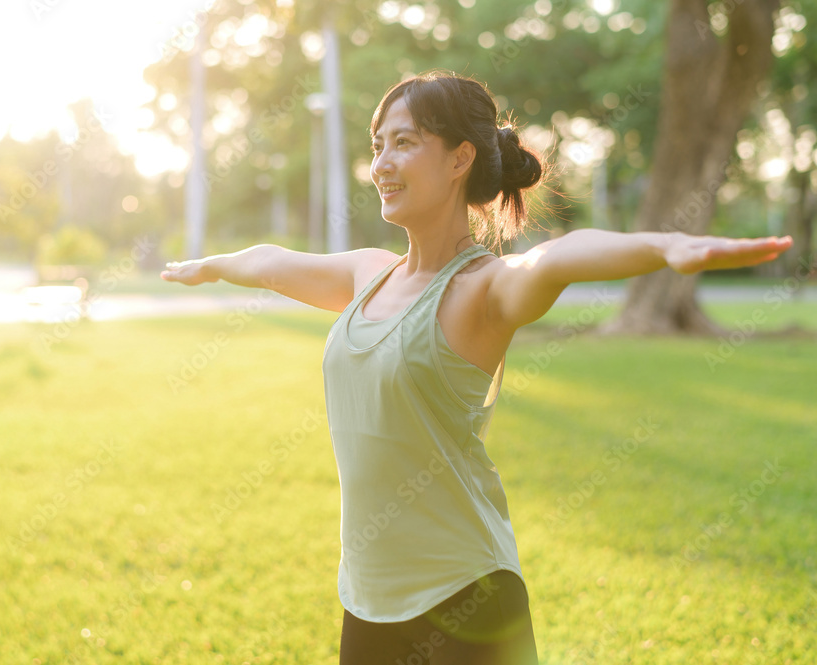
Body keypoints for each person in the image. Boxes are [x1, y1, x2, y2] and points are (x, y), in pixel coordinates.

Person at [159, 69, 793, 665]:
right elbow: (272, 261)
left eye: (403, 143)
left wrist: (665, 245)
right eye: (377, 145)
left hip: (466, 599)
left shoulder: (480, 292)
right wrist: (210, 265)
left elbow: (557, 258)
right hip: (367, 600)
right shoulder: (366, 276)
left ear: (460, 158)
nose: (382, 163)